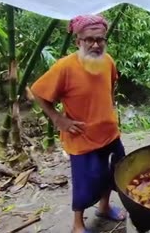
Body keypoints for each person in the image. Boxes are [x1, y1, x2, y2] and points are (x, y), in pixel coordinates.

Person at [31, 14, 126, 233]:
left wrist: (108, 113)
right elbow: (38, 92)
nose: (95, 44)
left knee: (111, 173)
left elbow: (109, 91)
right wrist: (58, 119)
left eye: (100, 39)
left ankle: (104, 208)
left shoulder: (108, 61)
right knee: (84, 182)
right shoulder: (64, 67)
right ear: (78, 41)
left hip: (109, 132)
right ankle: (77, 224)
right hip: (81, 136)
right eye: (89, 39)